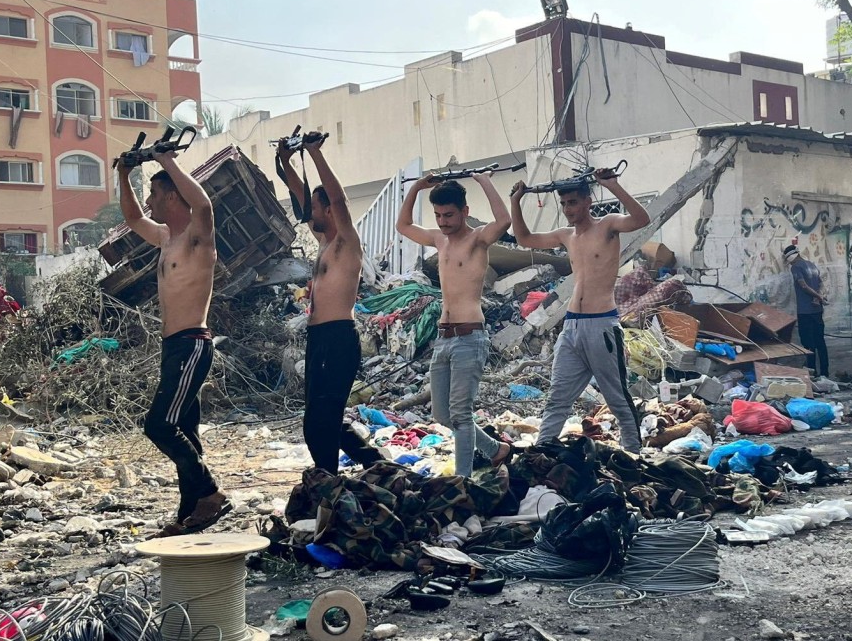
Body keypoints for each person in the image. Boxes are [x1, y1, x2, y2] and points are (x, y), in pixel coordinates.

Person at [117, 151, 230, 537]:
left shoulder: (198, 238)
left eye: (153, 194)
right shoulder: (166, 238)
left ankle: (211, 492)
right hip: (173, 347)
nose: (149, 202)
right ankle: (189, 515)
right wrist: (124, 175)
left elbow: (203, 204)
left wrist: (167, 161)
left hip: (192, 344)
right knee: (184, 428)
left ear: (170, 197)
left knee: (159, 426)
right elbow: (133, 219)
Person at [511, 169, 651, 454]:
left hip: (602, 325)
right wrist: (516, 200)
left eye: (573, 202)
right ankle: (543, 451)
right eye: (564, 204)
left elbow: (641, 219)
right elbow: (524, 238)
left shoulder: (607, 225)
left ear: (588, 202)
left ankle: (633, 455)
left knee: (617, 397)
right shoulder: (566, 235)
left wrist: (612, 185)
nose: (568, 209)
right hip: (572, 326)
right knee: (557, 397)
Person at [276, 137, 384, 475]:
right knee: (325, 420)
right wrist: (286, 160)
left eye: (315, 207)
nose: (309, 212)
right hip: (319, 339)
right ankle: (378, 466)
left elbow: (338, 199)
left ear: (328, 211)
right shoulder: (323, 240)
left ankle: (328, 481)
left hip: (339, 337)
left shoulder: (346, 241)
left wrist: (315, 153)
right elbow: (301, 196)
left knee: (319, 422)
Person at [396, 173, 512, 477]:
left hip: (470, 337)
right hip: (443, 337)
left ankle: (463, 481)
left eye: (448, 215)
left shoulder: (478, 239)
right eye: (438, 215)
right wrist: (417, 187)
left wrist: (484, 180)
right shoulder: (439, 240)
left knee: (461, 415)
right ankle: (495, 450)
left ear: (464, 211)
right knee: (442, 415)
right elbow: (403, 226)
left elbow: (504, 221)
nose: (443, 221)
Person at [783, 245, 829, 377]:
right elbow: (821, 284)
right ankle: (825, 372)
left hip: (805, 311)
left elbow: (803, 285)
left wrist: (817, 297)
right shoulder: (812, 265)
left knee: (808, 344)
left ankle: (812, 373)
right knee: (820, 342)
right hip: (817, 310)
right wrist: (819, 296)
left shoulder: (796, 267)